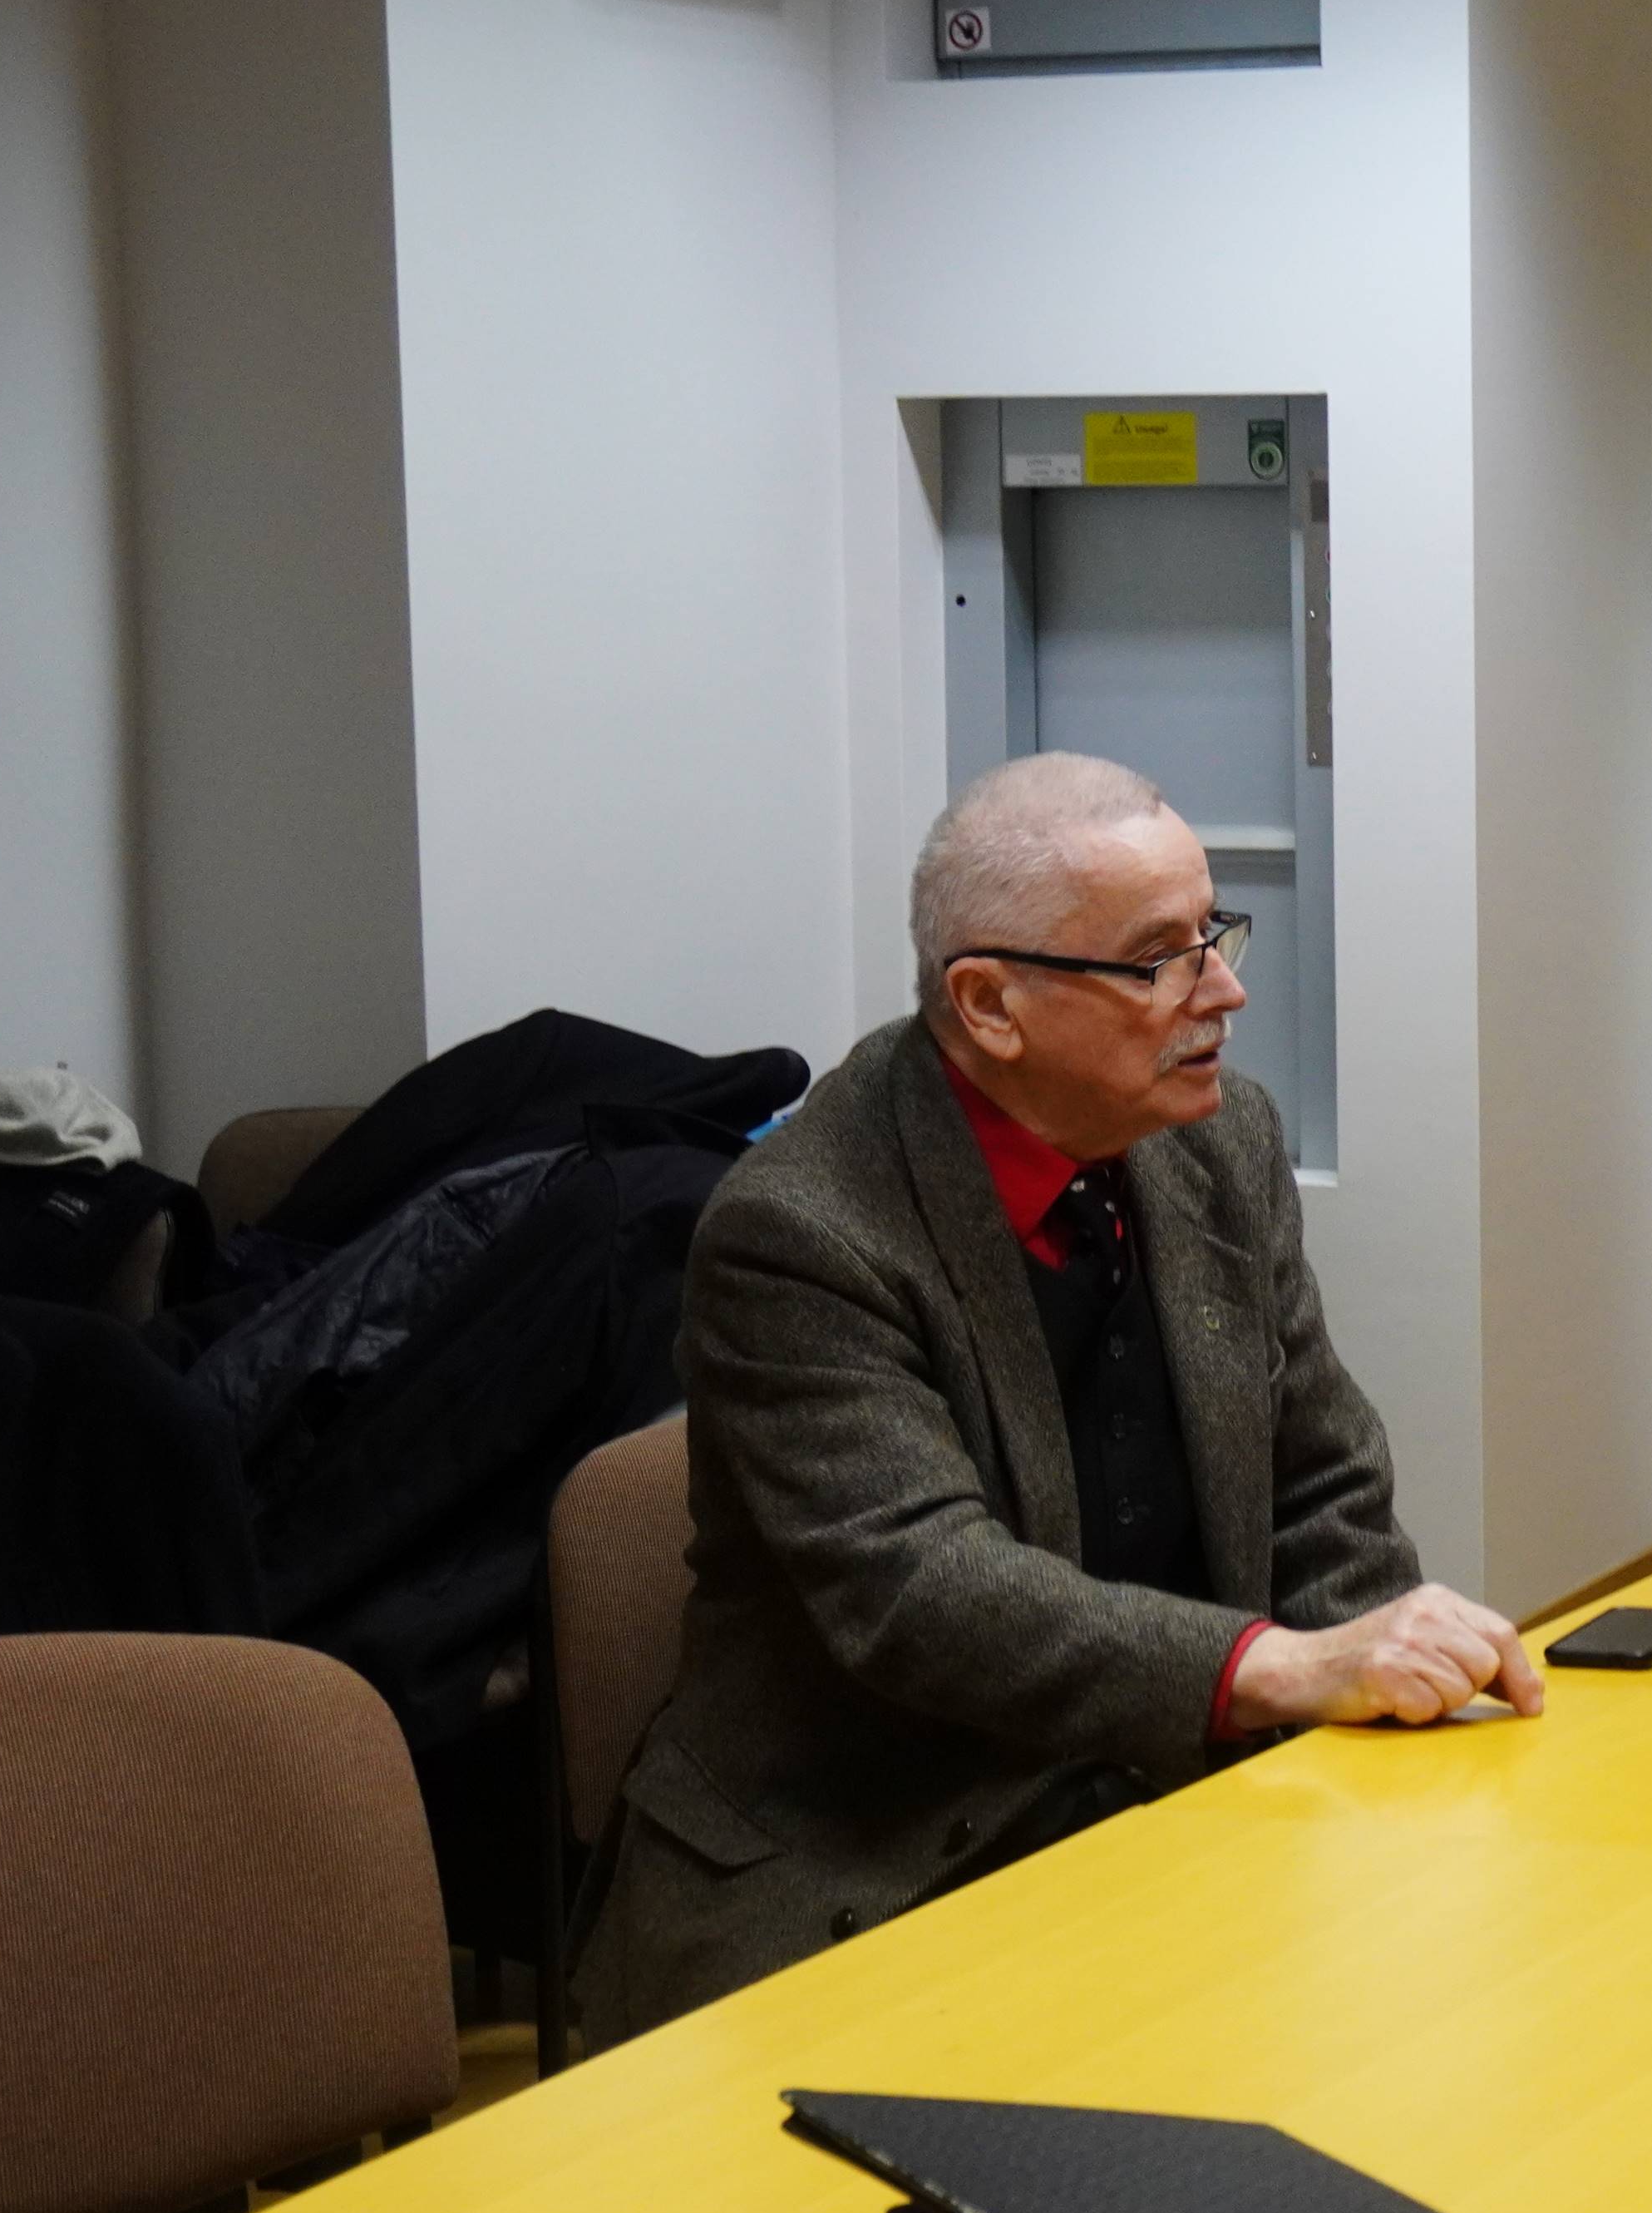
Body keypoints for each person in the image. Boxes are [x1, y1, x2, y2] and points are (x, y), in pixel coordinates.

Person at [580, 754, 1538, 2040]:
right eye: (1158, 962)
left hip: (1163, 1813)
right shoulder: (803, 1229)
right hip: (882, 1860)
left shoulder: (1219, 1138)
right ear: (991, 1005)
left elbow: (1319, 1481)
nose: (1226, 990)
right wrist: (1286, 1669)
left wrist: (1393, 1706)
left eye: (1213, 933)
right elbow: (929, 1595)